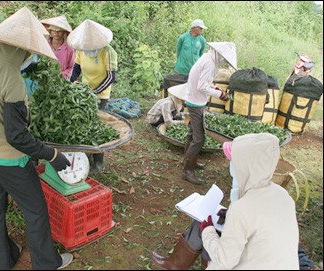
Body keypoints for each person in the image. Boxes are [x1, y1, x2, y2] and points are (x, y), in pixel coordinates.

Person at [0, 7, 73, 270]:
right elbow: (17, 137)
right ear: (23, 50)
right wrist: (52, 154)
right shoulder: (12, 79)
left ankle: (3, 261)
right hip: (8, 160)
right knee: (36, 211)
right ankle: (47, 263)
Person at [152, 133, 300, 270]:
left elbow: (224, 261)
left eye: (233, 162)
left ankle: (176, 265)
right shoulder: (283, 195)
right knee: (207, 224)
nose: (230, 165)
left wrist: (208, 231)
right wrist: (229, 216)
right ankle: (175, 264)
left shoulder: (242, 208)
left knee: (205, 227)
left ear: (246, 167)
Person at [68, 19, 118, 174]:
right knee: (82, 124)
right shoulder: (81, 50)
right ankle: (86, 155)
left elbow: (111, 77)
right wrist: (69, 83)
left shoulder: (108, 52)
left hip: (101, 94)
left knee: (96, 125)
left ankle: (98, 161)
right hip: (84, 92)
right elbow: (76, 69)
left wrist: (94, 93)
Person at [183, 42, 236, 185]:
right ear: (219, 54)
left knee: (192, 133)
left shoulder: (207, 58)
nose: (224, 61)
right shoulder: (210, 63)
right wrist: (220, 94)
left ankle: (188, 161)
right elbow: (201, 86)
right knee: (199, 139)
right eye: (224, 58)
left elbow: (204, 82)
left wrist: (214, 87)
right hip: (195, 102)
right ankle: (188, 171)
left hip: (194, 98)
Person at [162, 19, 207, 96]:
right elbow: (178, 51)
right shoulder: (183, 38)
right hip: (180, 69)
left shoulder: (202, 40)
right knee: (176, 90)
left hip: (193, 70)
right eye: (200, 28)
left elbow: (201, 54)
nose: (202, 30)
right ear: (194, 28)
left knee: (190, 91)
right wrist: (181, 62)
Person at [41, 15, 74, 80]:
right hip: (45, 79)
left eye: (59, 31)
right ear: (50, 31)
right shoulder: (45, 45)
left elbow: (71, 67)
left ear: (64, 32)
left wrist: (62, 75)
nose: (56, 33)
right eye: (54, 31)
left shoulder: (69, 49)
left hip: (62, 81)